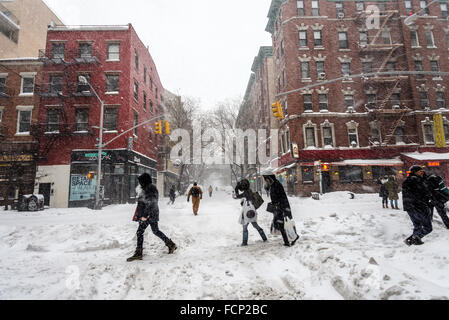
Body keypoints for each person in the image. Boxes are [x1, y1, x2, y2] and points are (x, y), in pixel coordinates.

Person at [127, 173, 177, 262]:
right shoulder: (148, 187)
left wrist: (144, 216)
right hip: (151, 213)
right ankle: (171, 244)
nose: (140, 183)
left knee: (140, 232)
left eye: (141, 181)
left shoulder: (150, 188)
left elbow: (151, 202)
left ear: (144, 181)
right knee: (155, 231)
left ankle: (138, 253)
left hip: (149, 214)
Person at [263, 174, 299, 246]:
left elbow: (281, 197)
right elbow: (272, 194)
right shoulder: (273, 185)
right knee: (281, 225)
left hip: (281, 207)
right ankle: (290, 238)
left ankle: (290, 239)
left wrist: (281, 207)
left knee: (283, 224)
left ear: (270, 178)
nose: (266, 181)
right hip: (277, 207)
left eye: (267, 179)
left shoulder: (277, 185)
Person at [402, 165, 433, 246]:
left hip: (409, 208)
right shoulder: (418, 181)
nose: (422, 172)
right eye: (420, 171)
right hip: (419, 207)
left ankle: (413, 242)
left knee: (417, 226)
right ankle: (414, 239)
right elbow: (426, 193)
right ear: (415, 172)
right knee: (428, 228)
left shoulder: (407, 181)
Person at [234, 179, 267, 246]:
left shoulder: (246, 192)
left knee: (245, 227)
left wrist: (236, 188)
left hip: (247, 212)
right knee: (255, 225)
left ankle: (244, 242)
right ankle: (264, 238)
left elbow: (237, 196)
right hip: (251, 211)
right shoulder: (249, 191)